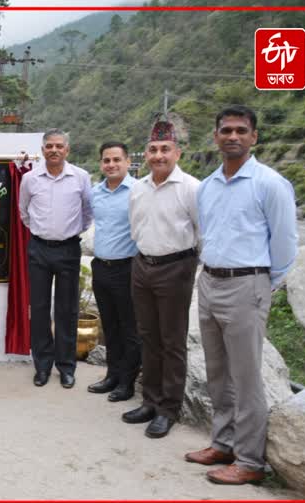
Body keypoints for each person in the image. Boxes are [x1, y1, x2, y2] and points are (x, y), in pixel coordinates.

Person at [186, 106, 298, 485]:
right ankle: (224, 442)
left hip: (247, 285)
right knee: (218, 372)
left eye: (241, 130)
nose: (232, 136)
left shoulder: (269, 183)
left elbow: (285, 245)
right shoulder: (208, 186)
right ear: (215, 137)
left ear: (254, 137)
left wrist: (262, 284)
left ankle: (250, 461)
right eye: (226, 130)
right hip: (210, 281)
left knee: (246, 375)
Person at [124, 119, 200, 439]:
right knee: (148, 337)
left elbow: (202, 233)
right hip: (142, 266)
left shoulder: (192, 188)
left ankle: (169, 409)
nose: (158, 155)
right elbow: (135, 228)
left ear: (177, 153)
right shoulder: (137, 189)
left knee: (172, 341)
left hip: (176, 268)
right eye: (153, 150)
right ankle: (150, 401)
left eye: (165, 149)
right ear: (146, 153)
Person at [19, 129, 93, 389]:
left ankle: (66, 367)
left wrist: (69, 233)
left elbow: (87, 212)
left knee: (67, 309)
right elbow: (24, 212)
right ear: (42, 150)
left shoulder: (81, 178)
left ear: (67, 150)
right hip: (39, 248)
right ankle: (42, 366)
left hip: (69, 250)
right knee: (38, 309)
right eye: (49, 146)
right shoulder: (29, 179)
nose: (54, 150)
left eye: (59, 146)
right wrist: (43, 232)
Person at [87, 141, 141, 402]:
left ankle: (127, 382)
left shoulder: (138, 191)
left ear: (128, 162)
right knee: (109, 326)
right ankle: (112, 375)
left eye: (117, 159)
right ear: (101, 163)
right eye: (106, 160)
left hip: (128, 267)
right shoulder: (95, 192)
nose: (111, 164)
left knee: (130, 327)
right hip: (101, 267)